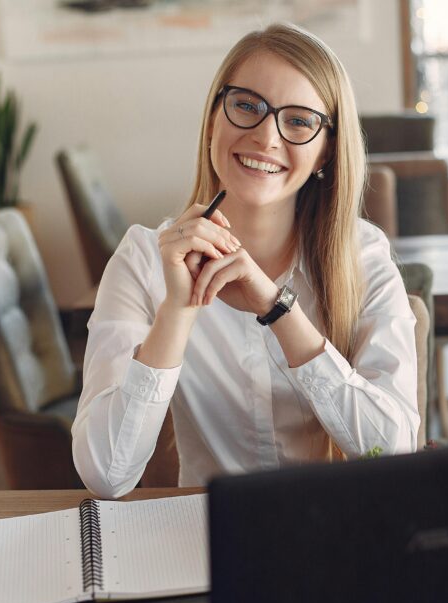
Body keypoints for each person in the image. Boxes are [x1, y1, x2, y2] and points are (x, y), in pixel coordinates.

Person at [72, 23, 419, 499]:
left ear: (326, 152)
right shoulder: (143, 259)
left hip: (337, 531)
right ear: (214, 117)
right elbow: (106, 476)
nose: (265, 136)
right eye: (247, 106)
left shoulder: (365, 257)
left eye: (298, 121)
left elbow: (393, 455)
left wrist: (279, 310)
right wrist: (178, 309)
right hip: (205, 539)